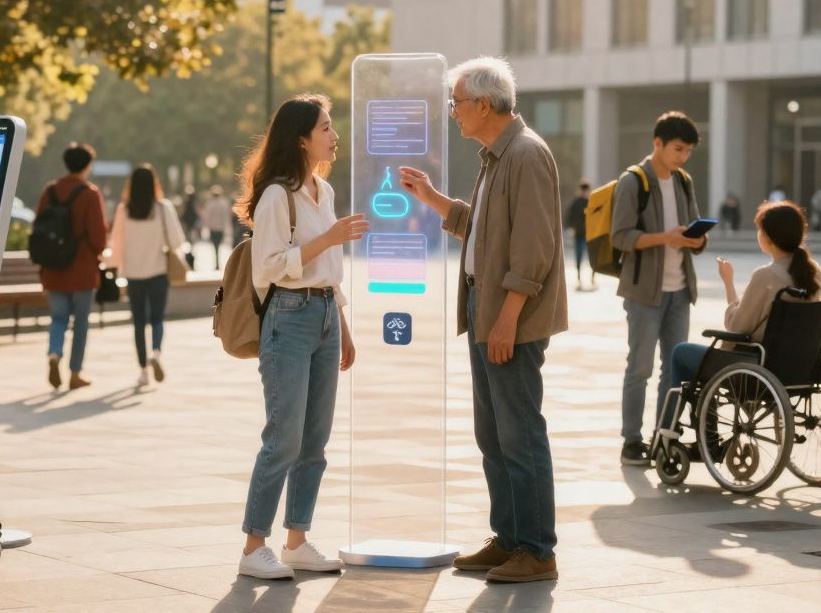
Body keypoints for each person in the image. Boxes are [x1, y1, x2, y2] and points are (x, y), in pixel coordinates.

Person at [399, 56, 567, 584]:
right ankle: (511, 539)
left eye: (457, 102)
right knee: (493, 435)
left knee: (520, 435)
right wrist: (431, 198)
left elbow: (532, 249)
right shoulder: (497, 156)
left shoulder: (526, 154)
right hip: (484, 310)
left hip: (507, 318)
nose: (453, 112)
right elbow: (483, 229)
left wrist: (507, 319)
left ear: (486, 105)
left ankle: (537, 550)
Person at [236, 93, 367, 580]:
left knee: (315, 441)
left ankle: (297, 539)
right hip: (288, 318)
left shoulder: (323, 191)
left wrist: (344, 326)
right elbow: (267, 269)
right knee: (283, 438)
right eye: (326, 128)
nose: (334, 136)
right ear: (302, 138)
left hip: (326, 316)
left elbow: (330, 273)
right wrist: (327, 240)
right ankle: (254, 546)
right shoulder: (277, 196)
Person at [659, 201, 821, 432]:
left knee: (680, 353)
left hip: (755, 366)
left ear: (767, 237)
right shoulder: (814, 272)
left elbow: (736, 326)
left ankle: (671, 429)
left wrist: (728, 282)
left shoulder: (766, 276)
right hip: (798, 366)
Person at [610, 111, 707, 467]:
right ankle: (631, 441)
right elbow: (620, 237)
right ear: (658, 143)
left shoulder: (683, 181)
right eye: (678, 150)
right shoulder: (634, 181)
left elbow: (693, 227)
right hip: (644, 294)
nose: (683, 158)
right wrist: (663, 238)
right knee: (640, 368)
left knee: (674, 369)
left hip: (680, 291)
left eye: (688, 152)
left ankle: (663, 436)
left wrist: (696, 241)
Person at [107, 164, 186, 388]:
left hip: (133, 274)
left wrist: (113, 266)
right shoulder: (162, 208)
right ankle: (157, 353)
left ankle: (142, 370)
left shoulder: (124, 210)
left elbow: (116, 243)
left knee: (138, 323)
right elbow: (177, 241)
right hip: (158, 272)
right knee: (157, 318)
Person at [38, 142, 108, 390]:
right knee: (80, 324)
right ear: (87, 165)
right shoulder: (89, 193)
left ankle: (54, 353)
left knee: (58, 318)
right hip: (82, 271)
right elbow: (99, 236)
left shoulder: (50, 191)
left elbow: (39, 227)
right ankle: (75, 373)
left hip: (54, 270)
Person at [564, 180, 595, 290]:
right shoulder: (577, 202)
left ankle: (592, 278)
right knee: (579, 256)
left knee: (592, 257)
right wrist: (572, 227)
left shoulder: (590, 201)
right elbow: (569, 217)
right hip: (581, 234)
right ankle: (579, 277)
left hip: (589, 234)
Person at [202, 184, 233, 268]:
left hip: (214, 228)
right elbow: (226, 217)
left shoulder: (211, 204)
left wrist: (207, 227)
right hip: (219, 228)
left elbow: (207, 217)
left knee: (215, 245)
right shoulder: (223, 203)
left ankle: (217, 262)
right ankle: (217, 262)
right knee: (217, 245)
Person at [180, 185, 200, 267]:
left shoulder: (186, 204)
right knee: (190, 244)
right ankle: (189, 260)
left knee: (188, 243)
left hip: (188, 226)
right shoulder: (192, 204)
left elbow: (182, 215)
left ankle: (189, 260)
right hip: (190, 227)